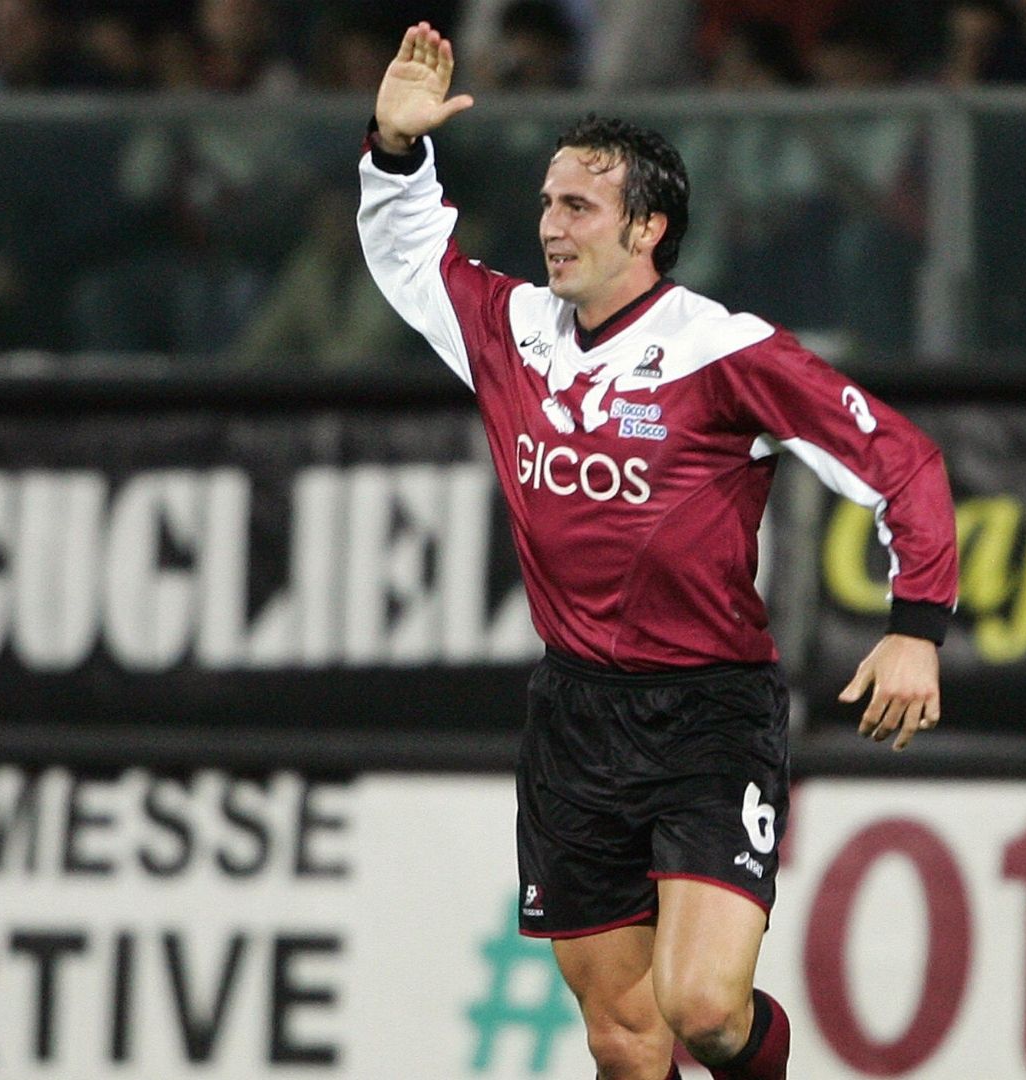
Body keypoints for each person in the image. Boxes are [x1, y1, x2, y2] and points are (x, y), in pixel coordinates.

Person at [359, 25, 956, 1080]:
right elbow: (410, 257)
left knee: (704, 1009)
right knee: (626, 1042)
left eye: (578, 207)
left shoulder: (724, 354)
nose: (550, 226)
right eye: (547, 202)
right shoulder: (512, 331)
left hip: (707, 714)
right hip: (575, 717)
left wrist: (916, 630)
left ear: (648, 227)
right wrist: (397, 153)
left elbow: (900, 460)